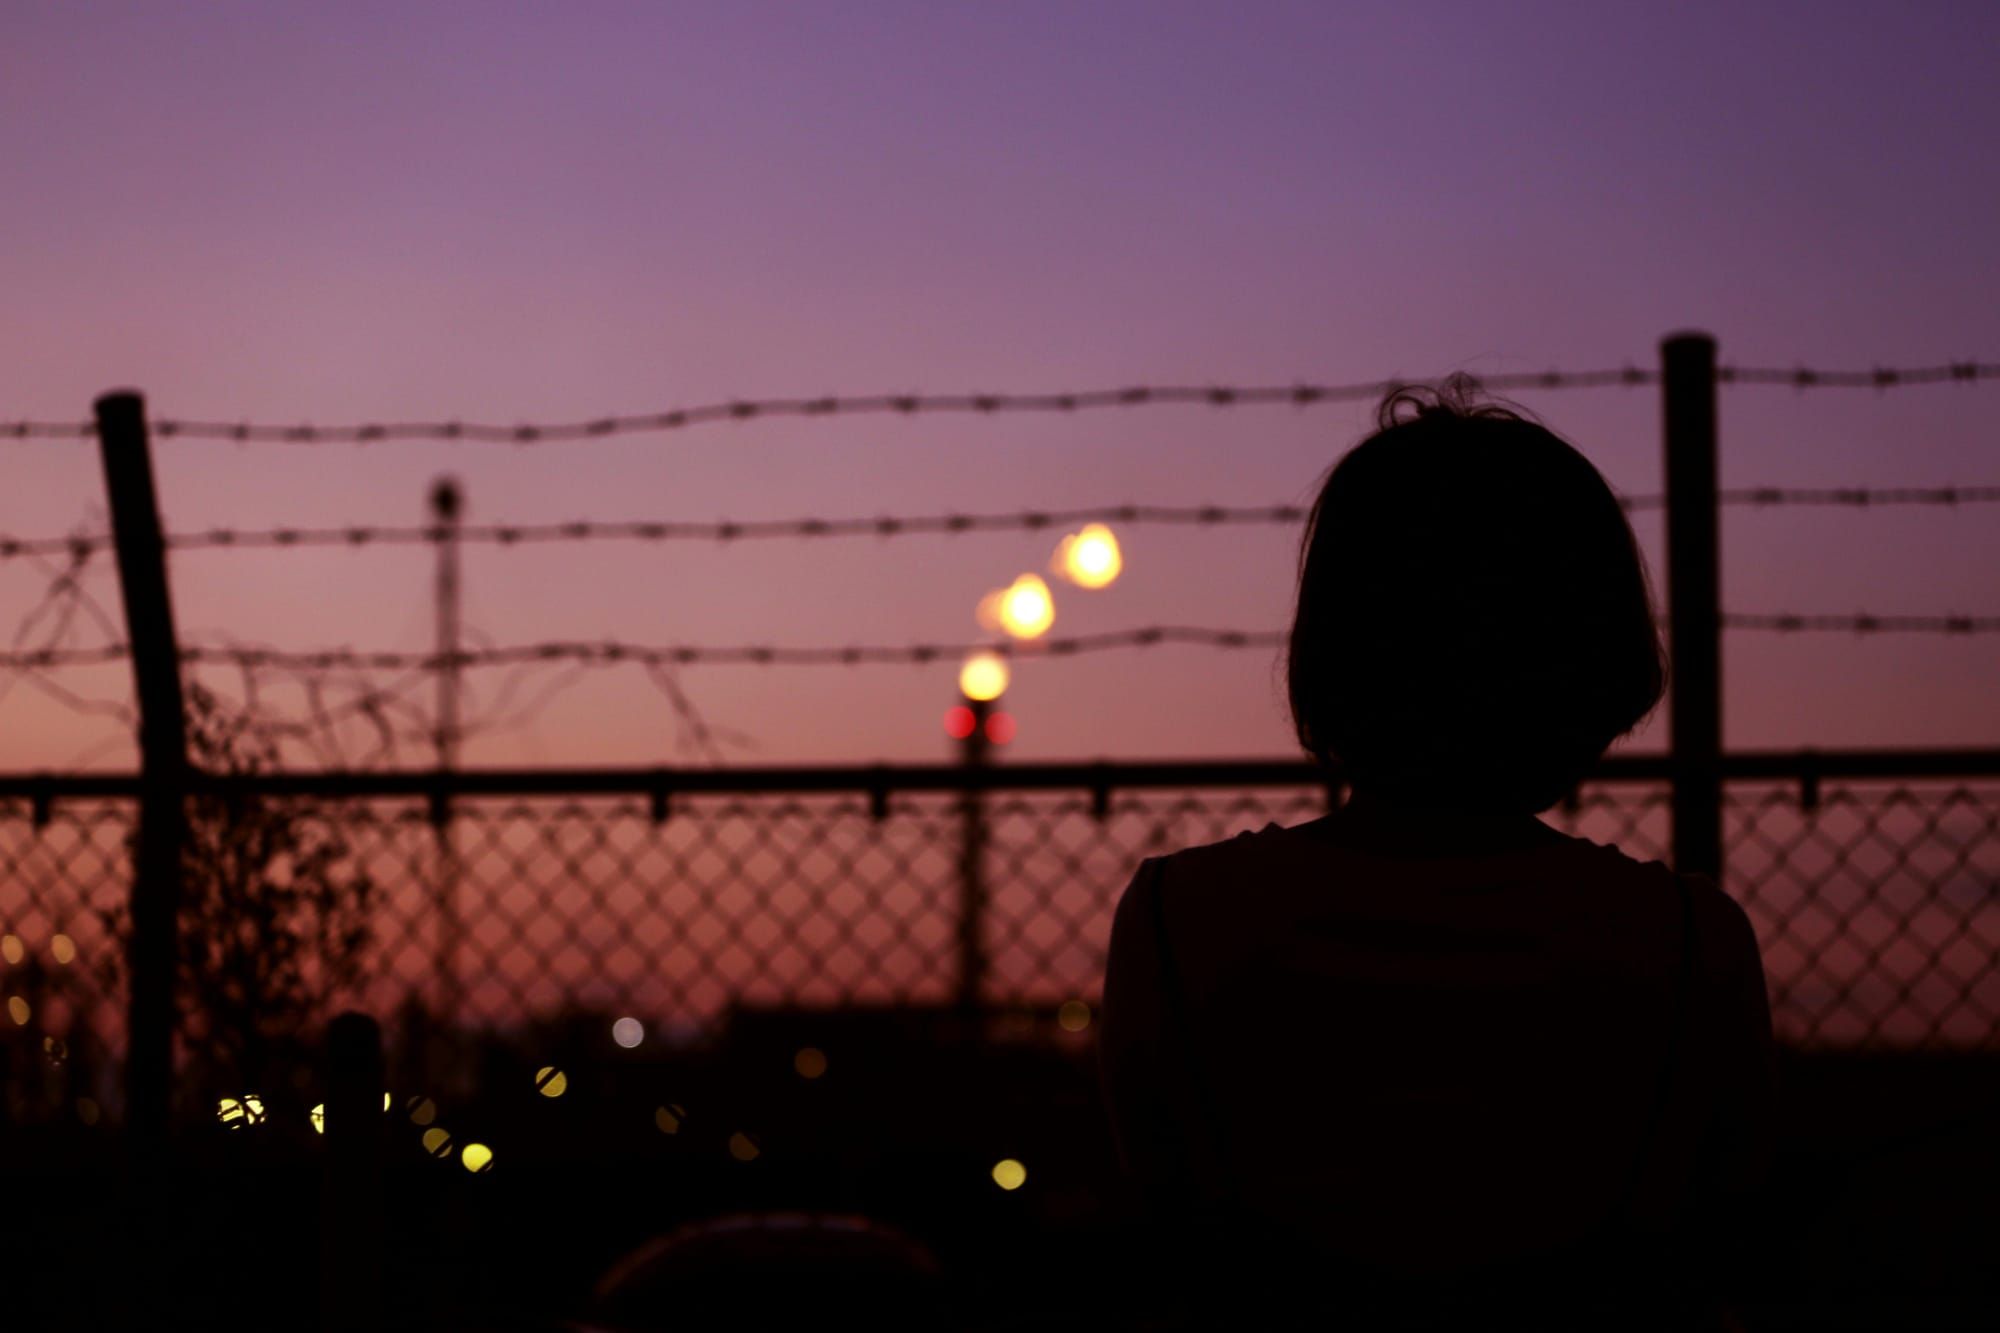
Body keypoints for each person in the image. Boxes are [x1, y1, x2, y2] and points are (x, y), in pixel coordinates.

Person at [1098, 377, 1776, 1331]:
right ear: (1591, 646)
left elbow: (1165, 1211)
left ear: (1335, 641)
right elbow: (1720, 1232)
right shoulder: (1691, 944)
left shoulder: (1179, 922)